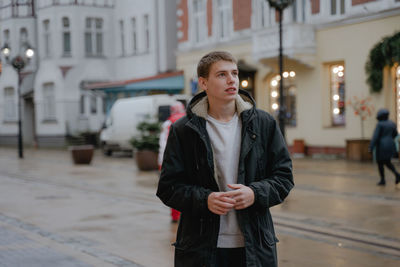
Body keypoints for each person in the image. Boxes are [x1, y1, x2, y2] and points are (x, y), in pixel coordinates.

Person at [156, 51, 294, 267]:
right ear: (203, 83)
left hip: (255, 247)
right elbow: (168, 188)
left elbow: (284, 178)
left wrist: (254, 193)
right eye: (221, 74)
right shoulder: (184, 130)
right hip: (200, 249)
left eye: (234, 73)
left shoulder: (264, 124)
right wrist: (205, 199)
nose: (231, 80)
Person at [158, 101, 187, 222]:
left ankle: (175, 216)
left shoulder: (168, 123)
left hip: (171, 160)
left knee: (174, 189)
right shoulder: (188, 120)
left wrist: (161, 162)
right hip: (188, 161)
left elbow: (163, 144)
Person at [369, 108, 400, 186]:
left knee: (380, 163)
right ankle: (397, 175)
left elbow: (375, 136)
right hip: (391, 144)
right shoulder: (392, 123)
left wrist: (371, 147)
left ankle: (383, 180)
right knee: (387, 162)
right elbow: (395, 134)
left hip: (382, 146)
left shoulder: (380, 124)